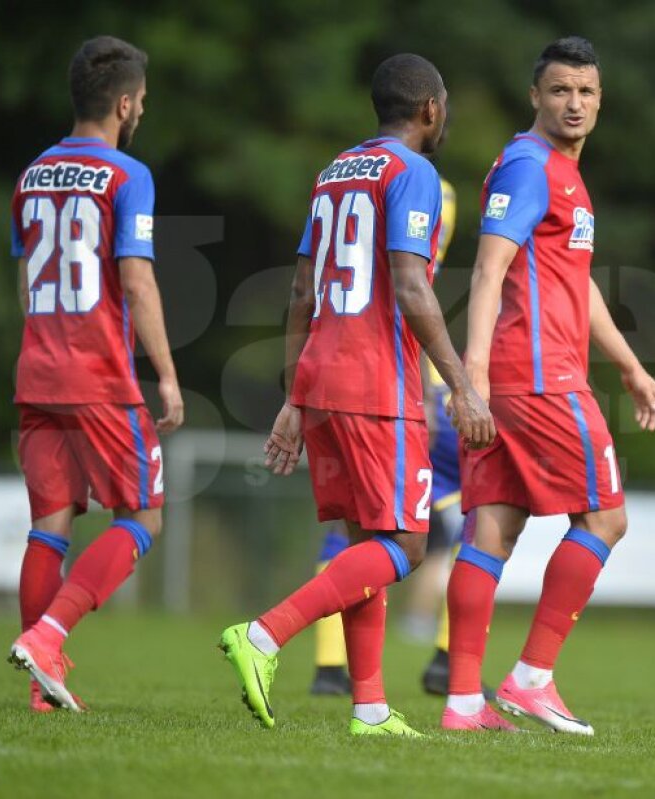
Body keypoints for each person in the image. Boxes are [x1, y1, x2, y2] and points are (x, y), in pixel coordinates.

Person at [218, 53, 494, 737]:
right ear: (430, 108)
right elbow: (409, 282)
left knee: (360, 537)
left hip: (322, 375)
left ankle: (369, 707)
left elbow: (301, 289)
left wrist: (293, 392)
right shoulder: (416, 173)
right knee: (405, 541)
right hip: (377, 382)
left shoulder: (334, 172)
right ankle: (263, 634)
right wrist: (461, 384)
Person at [442, 36, 655, 735]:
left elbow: (576, 285)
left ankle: (462, 703)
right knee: (605, 517)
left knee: (494, 529)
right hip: (536, 378)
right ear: (535, 96)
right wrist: (471, 372)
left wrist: (628, 364)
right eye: (561, 90)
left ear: (601, 101)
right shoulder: (530, 166)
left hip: (524, 376)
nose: (574, 103)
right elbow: (487, 269)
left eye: (586, 92)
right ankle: (532, 676)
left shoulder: (562, 174)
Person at [6, 35, 184, 712]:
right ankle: (50, 638)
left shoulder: (31, 174)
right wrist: (166, 374)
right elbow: (136, 283)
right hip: (98, 375)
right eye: (141, 103)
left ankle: (40, 686)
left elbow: (27, 282)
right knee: (143, 515)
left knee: (49, 526)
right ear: (126, 103)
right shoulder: (125, 175)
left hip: (37, 370)